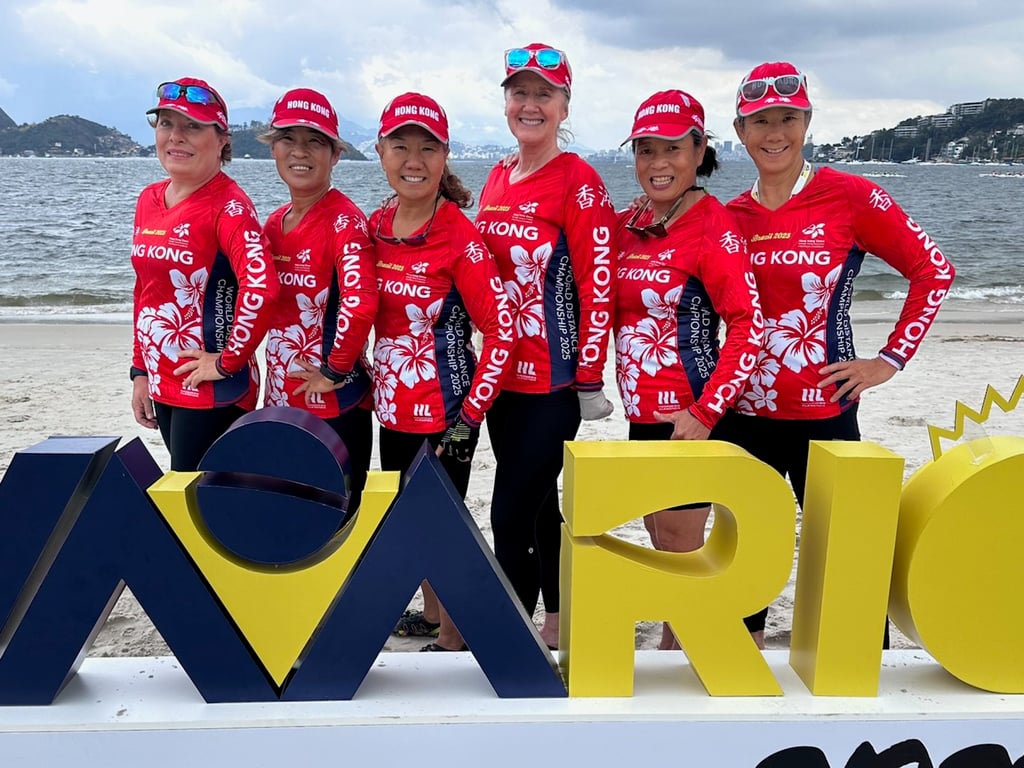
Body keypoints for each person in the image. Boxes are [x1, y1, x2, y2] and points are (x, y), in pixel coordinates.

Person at [722, 61, 956, 646]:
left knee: (842, 554)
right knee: (742, 554)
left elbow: (934, 271)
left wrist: (889, 360)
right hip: (741, 415)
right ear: (740, 131)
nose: (774, 132)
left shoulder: (851, 196)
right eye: (760, 122)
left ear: (806, 124)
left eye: (788, 119)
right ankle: (740, 657)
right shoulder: (727, 216)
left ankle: (856, 666)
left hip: (825, 411)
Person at [474, 43, 618, 650]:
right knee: (537, 508)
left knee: (508, 514)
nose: (530, 104)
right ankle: (558, 620)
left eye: (544, 94)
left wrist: (587, 379)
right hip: (499, 380)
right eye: (520, 93)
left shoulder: (579, 181)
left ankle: (508, 641)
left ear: (564, 105)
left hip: (552, 384)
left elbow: (598, 282)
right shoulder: (499, 174)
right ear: (506, 101)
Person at [614, 89, 764, 650]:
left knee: (681, 546)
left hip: (687, 414)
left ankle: (682, 655)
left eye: (673, 149)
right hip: (641, 411)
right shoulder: (631, 220)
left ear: (700, 150)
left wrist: (706, 411)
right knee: (661, 538)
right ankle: (680, 646)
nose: (658, 163)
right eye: (646, 150)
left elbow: (748, 325)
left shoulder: (713, 225)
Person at [370, 92, 514, 651]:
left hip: (446, 413)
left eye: (427, 148)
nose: (413, 159)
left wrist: (470, 414)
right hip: (390, 408)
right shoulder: (376, 225)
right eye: (400, 146)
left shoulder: (460, 237)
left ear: (445, 156)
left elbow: (502, 331)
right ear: (381, 153)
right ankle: (432, 615)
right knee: (410, 518)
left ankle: (454, 635)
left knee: (444, 527)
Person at [130, 77, 279, 471]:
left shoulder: (229, 207)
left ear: (222, 140)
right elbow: (145, 291)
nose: (176, 137)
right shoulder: (149, 199)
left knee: (197, 506)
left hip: (211, 390)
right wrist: (140, 370)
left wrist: (228, 362)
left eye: (192, 126)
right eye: (166, 124)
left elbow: (262, 288)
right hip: (164, 380)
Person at [258, 88, 378, 513]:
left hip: (333, 401)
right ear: (272, 148)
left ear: (335, 155)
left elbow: (362, 303)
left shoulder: (345, 221)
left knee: (337, 515)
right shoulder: (273, 224)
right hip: (279, 394)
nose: (300, 152)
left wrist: (333, 369)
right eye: (288, 139)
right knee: (287, 511)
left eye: (315, 141)